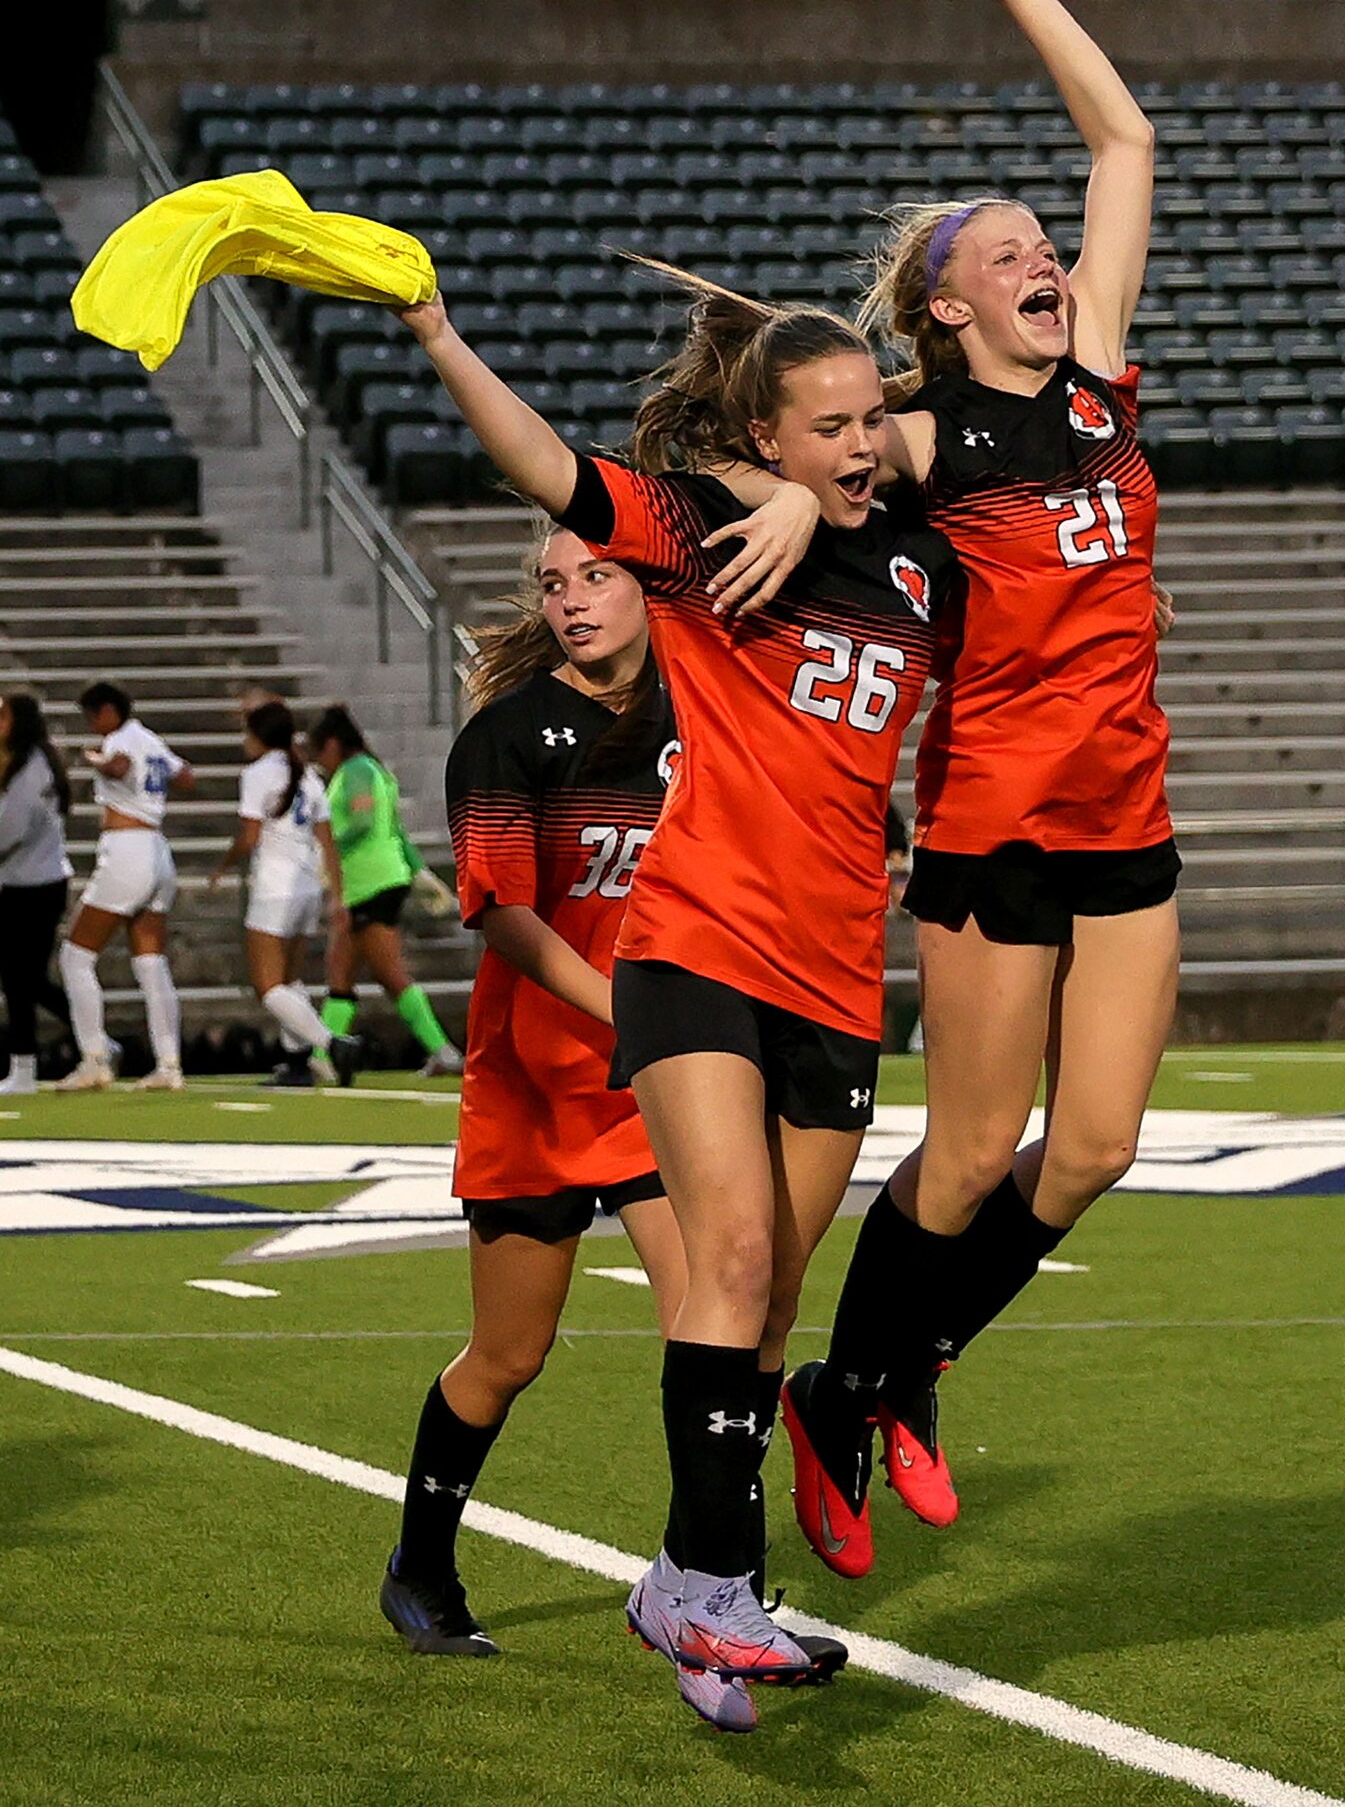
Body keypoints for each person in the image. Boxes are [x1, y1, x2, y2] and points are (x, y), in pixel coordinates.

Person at [394, 263, 954, 1724]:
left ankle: (684, 1585)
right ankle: (716, 1592)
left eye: (862, 420)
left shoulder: (920, 555)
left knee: (762, 1315)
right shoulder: (702, 532)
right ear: (762, 441)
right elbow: (554, 470)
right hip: (694, 949)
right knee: (733, 1264)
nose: (847, 442)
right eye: (815, 425)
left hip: (838, 970)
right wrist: (443, 335)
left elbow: (991, 425)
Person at [783, 0, 1179, 1580]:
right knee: (961, 1151)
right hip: (993, 828)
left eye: (1048, 245)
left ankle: (895, 1370)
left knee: (1089, 1148)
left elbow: (1124, 143)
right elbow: (797, 458)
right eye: (1008, 251)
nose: (1047, 256)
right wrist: (799, 476)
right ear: (948, 305)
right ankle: (844, 1395)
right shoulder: (929, 431)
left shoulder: (1094, 388)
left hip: (1128, 812)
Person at [208, 699, 361, 1088]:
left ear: (259, 736)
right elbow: (328, 843)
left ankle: (332, 1043)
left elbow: (250, 836)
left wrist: (223, 866)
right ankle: (297, 1064)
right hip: (308, 887)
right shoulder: (308, 776)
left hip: (274, 887)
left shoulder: (259, 773)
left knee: (269, 986)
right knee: (291, 980)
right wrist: (337, 897)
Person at [305, 705, 463, 1076]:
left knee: (389, 974)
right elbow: (396, 831)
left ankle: (443, 1051)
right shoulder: (377, 771)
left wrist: (324, 844)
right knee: (341, 970)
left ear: (332, 744)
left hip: (368, 883)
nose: (320, 762)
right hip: (379, 881)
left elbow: (360, 821)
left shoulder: (356, 771)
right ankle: (324, 1054)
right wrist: (419, 870)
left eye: (319, 752)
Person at [58, 681, 194, 1092]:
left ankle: (94, 1057)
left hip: (127, 850)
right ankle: (169, 1064)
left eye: (92, 716)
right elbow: (187, 775)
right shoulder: (151, 738)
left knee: (76, 955)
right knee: (151, 962)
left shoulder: (118, 740)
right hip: (157, 847)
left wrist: (96, 759)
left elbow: (118, 767)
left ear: (105, 712)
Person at [0, 693, 74, 1095]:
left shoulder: (30, 769)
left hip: (31, 885)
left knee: (18, 978)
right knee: (27, 979)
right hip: (32, 882)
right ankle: (94, 1038)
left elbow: (10, 830)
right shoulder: (33, 764)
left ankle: (23, 1067)